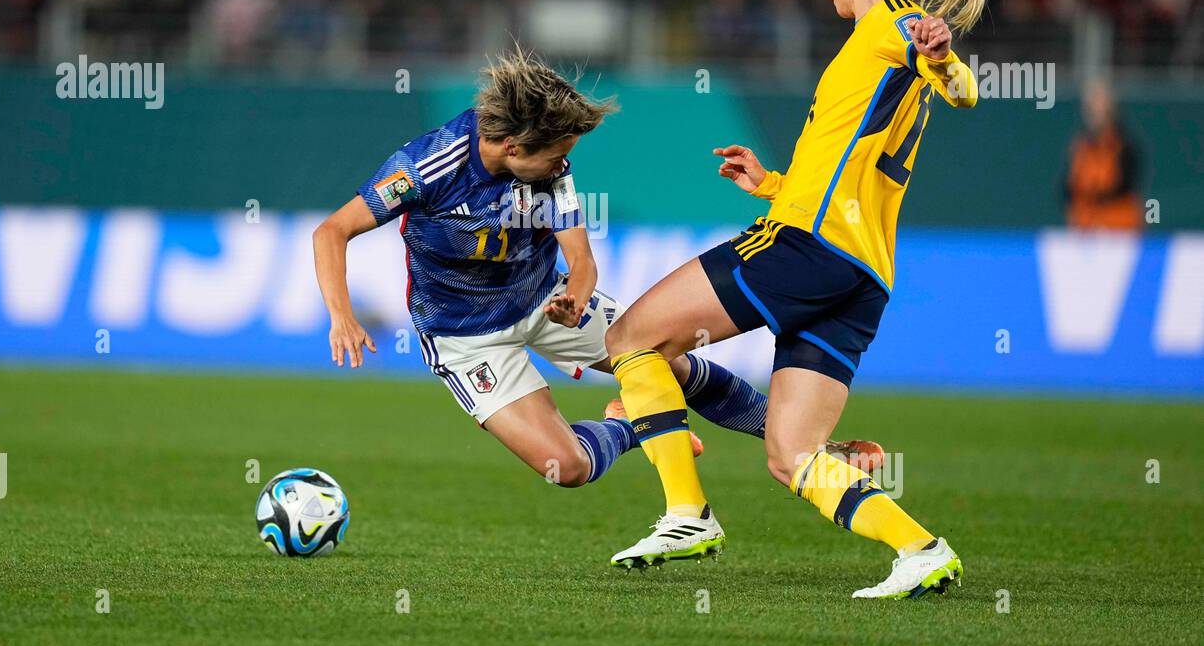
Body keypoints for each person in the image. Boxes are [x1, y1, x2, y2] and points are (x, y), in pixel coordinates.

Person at [312, 49, 882, 563]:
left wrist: (575, 294)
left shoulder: (549, 169)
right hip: (466, 338)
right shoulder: (427, 168)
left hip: (543, 298)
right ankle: (629, 425)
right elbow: (332, 231)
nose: (565, 163)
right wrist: (342, 314)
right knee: (570, 469)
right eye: (557, 153)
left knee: (661, 361)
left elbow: (580, 259)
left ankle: (810, 448)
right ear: (512, 148)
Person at [602, 0, 1007, 597]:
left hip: (805, 250)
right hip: (863, 274)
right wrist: (772, 183)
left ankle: (686, 511)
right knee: (792, 455)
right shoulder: (878, 42)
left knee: (631, 338)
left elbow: (964, 89)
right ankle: (919, 548)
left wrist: (945, 59)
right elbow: (849, 167)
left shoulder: (891, 25)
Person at [1064, 79, 1143, 229]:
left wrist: (1094, 195)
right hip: (1084, 228)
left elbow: (1124, 185)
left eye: (1101, 107)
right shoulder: (1081, 146)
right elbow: (1069, 187)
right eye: (1091, 107)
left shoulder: (1124, 145)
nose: (1096, 113)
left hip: (1118, 228)